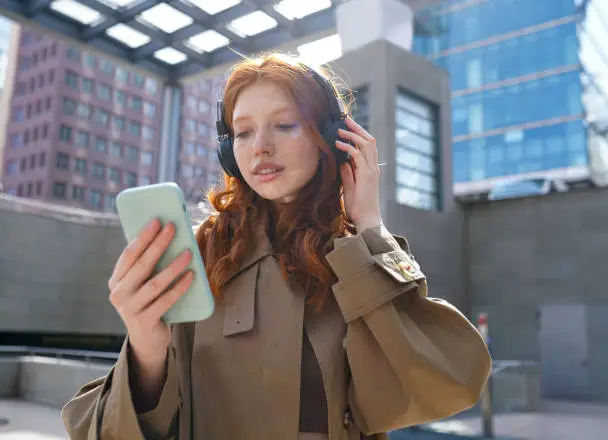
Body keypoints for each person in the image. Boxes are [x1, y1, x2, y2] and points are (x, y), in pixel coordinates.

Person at [61, 53, 492, 440]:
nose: (260, 147)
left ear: (332, 136)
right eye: (243, 132)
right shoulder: (203, 250)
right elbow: (124, 427)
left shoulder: (356, 254)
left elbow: (442, 385)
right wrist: (145, 346)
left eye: (284, 125)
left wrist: (370, 228)